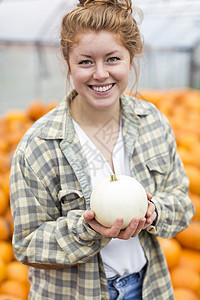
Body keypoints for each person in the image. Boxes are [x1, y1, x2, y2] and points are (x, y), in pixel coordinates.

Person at [10, 0, 195, 299]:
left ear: (130, 58)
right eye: (85, 62)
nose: (100, 74)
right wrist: (88, 230)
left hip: (146, 288)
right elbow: (28, 244)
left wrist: (154, 212)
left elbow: (183, 205)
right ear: (68, 63)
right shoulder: (39, 145)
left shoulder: (153, 123)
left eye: (112, 59)